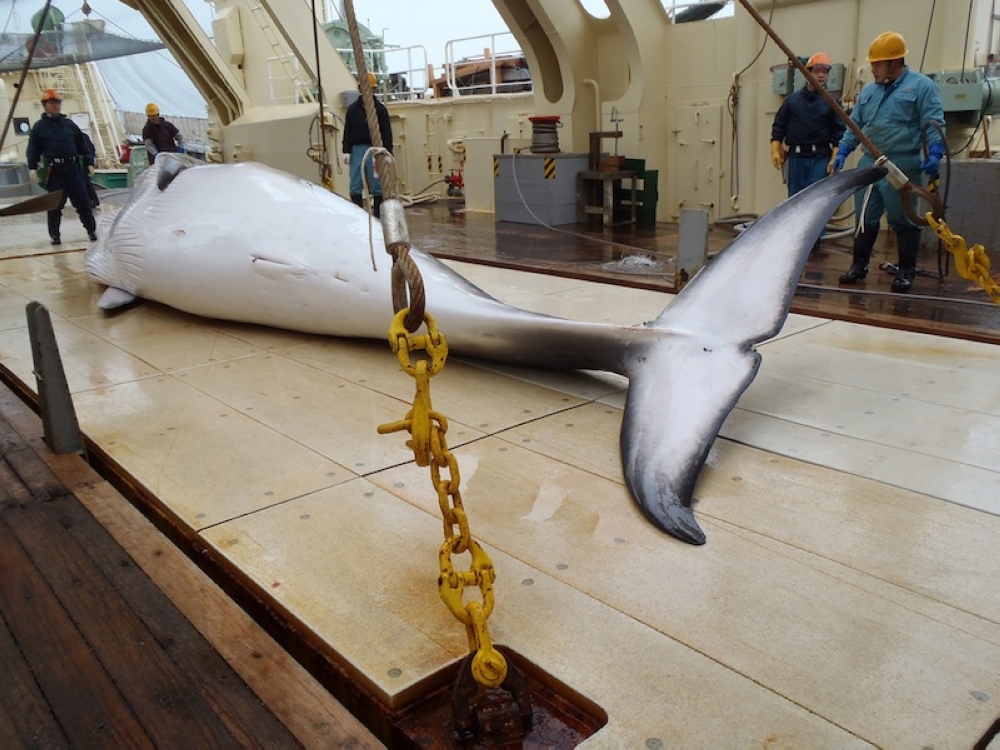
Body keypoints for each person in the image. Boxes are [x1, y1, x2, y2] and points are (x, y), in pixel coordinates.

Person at [830, 31, 946, 293]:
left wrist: (935, 153)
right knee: (864, 217)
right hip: (870, 164)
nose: (873, 69)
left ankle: (906, 270)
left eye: (877, 64)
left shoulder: (921, 87)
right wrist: (843, 150)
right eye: (872, 64)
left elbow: (933, 121)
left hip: (902, 164)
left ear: (894, 63)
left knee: (904, 218)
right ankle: (858, 266)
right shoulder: (869, 91)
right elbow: (855, 124)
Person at [25, 88, 98, 245]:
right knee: (54, 206)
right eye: (52, 103)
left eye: (57, 102)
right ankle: (55, 235)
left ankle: (91, 231)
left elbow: (83, 145)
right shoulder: (39, 127)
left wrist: (89, 162)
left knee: (83, 203)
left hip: (73, 171)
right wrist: (32, 167)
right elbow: (33, 148)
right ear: (45, 105)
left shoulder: (69, 125)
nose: (55, 105)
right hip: (55, 173)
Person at [770, 52, 846, 197]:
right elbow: (779, 125)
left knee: (816, 199)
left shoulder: (832, 102)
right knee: (795, 201)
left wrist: (835, 156)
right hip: (796, 159)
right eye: (817, 71)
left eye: (825, 72)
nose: (821, 75)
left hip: (820, 159)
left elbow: (839, 131)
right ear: (807, 73)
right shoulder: (792, 101)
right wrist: (775, 146)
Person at [342, 73, 393, 217]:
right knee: (355, 183)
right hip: (357, 149)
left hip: (376, 149)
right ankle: (357, 214)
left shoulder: (380, 110)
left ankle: (377, 215)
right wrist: (346, 151)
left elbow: (386, 132)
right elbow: (347, 131)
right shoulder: (352, 110)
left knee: (377, 183)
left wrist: (388, 152)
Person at [81, 131, 100, 209]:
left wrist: (89, 163)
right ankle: (91, 200)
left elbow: (89, 150)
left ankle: (92, 200)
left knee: (85, 182)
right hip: (79, 162)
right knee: (85, 182)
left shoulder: (80, 136)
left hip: (81, 162)